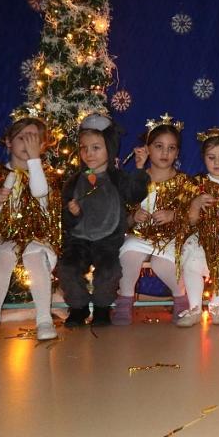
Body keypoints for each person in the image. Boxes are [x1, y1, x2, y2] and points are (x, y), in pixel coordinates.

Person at [58, 113, 150, 327]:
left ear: (110, 147)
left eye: (96, 148)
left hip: (108, 240)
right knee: (68, 268)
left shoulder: (117, 178)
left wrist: (139, 169)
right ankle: (78, 308)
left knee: (109, 271)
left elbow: (135, 194)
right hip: (78, 240)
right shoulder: (74, 181)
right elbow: (65, 220)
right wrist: (72, 213)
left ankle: (101, 308)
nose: (89, 153)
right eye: (84, 148)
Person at [0, 115, 62, 341]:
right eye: (23, 138)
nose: (28, 144)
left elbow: (40, 194)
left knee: (35, 256)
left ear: (42, 146)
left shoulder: (46, 175)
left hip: (37, 237)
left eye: (34, 139)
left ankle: (44, 319)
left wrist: (34, 161)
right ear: (8, 142)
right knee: (4, 255)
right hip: (3, 238)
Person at [115, 114, 191, 325]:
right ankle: (125, 299)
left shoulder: (185, 182)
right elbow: (122, 217)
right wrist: (134, 216)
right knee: (129, 251)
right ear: (147, 149)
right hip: (140, 236)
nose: (165, 153)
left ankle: (180, 298)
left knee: (161, 263)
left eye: (171, 148)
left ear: (177, 152)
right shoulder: (136, 178)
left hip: (171, 239)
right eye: (159, 146)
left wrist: (173, 215)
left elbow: (193, 216)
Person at [177, 128, 219, 327]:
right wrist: (196, 203)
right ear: (204, 158)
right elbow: (188, 219)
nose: (217, 162)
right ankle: (195, 308)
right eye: (211, 157)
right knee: (191, 260)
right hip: (202, 237)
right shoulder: (197, 183)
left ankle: (216, 304)